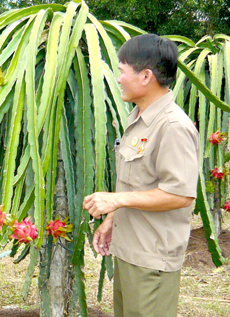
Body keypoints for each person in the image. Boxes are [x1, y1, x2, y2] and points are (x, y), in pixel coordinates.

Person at [83, 34, 200, 317]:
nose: (119, 78)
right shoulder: (138, 119)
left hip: (152, 259)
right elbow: (139, 181)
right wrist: (113, 218)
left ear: (146, 76)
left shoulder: (172, 126)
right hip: (129, 251)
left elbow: (180, 194)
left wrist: (116, 199)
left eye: (122, 71)